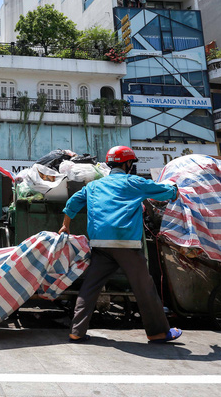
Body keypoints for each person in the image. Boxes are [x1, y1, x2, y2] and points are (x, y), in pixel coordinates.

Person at [58, 145, 182, 344]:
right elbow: (166, 192)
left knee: (90, 287)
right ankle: (158, 332)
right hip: (126, 245)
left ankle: (76, 331)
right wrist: (174, 189)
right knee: (144, 287)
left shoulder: (94, 185)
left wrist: (66, 225)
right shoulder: (133, 182)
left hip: (99, 244)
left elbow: (73, 202)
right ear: (128, 164)